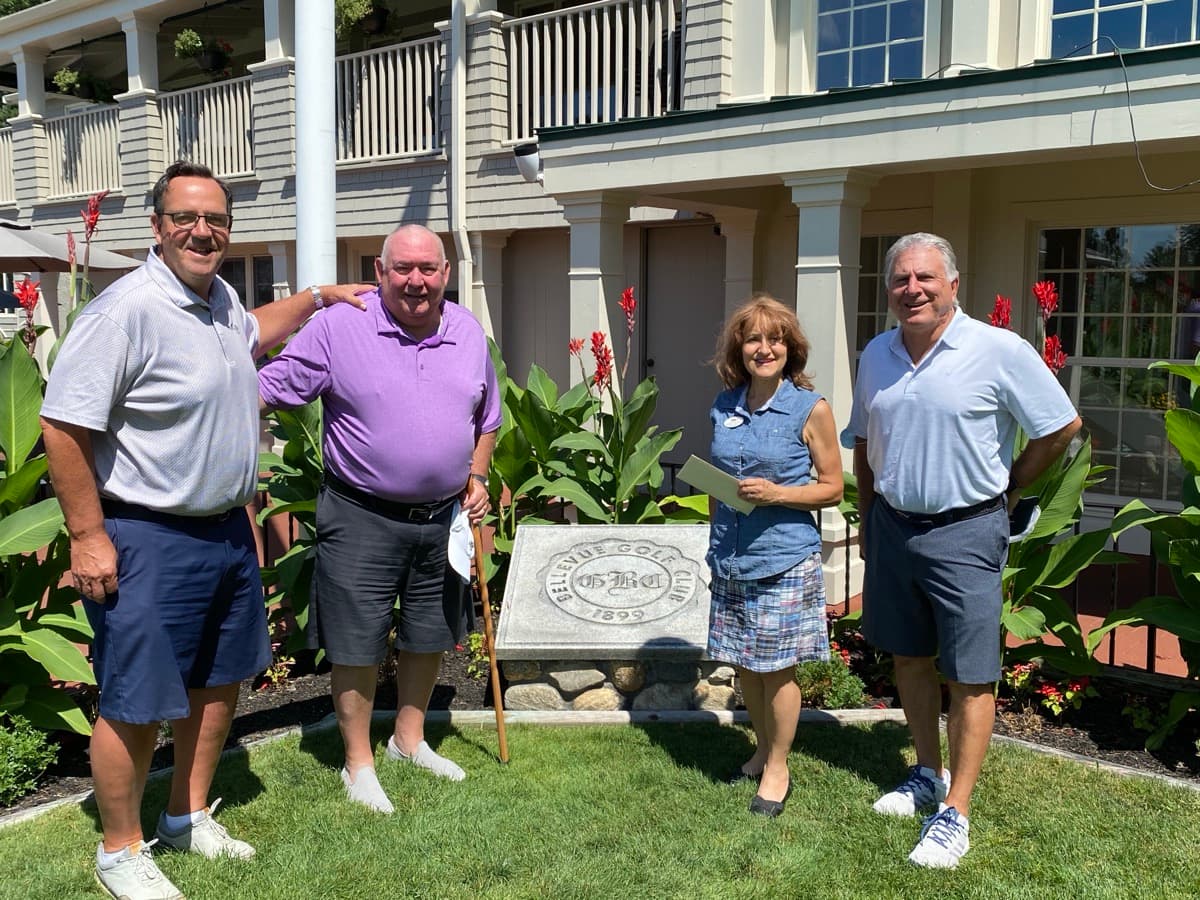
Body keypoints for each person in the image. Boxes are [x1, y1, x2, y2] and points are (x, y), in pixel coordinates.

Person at [40, 160, 372, 900]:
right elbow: (62, 425)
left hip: (224, 532)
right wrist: (89, 536)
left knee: (219, 683)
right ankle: (120, 850)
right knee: (136, 697)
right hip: (145, 534)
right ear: (157, 227)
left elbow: (258, 330)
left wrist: (320, 296)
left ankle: (185, 815)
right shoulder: (125, 311)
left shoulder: (220, 299)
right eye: (186, 217)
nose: (202, 230)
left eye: (216, 219)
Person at [841, 233, 1082, 869]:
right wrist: (868, 517)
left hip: (967, 528)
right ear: (889, 289)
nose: (911, 289)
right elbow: (864, 442)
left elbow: (1061, 426)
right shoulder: (877, 354)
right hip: (893, 525)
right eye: (900, 280)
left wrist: (1014, 486)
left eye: (925, 277)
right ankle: (927, 773)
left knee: (970, 672)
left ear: (954, 283)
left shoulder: (998, 349)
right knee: (911, 658)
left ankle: (957, 812)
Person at [258, 223, 500, 815]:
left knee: (428, 633)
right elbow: (266, 389)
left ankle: (408, 741)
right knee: (357, 642)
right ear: (380, 273)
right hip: (361, 513)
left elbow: (487, 416)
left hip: (441, 517)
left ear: (446, 274)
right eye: (402, 269)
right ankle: (358, 764)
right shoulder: (341, 326)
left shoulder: (466, 329)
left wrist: (479, 475)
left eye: (428, 269)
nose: (416, 281)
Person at [706, 295, 843, 818]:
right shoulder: (724, 405)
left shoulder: (811, 409)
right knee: (746, 663)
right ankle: (760, 749)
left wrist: (778, 494)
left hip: (785, 557)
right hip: (732, 557)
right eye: (753, 339)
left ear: (791, 348)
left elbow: (832, 489)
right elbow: (720, 481)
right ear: (738, 349)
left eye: (775, 339)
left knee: (778, 669)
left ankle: (779, 767)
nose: (765, 349)